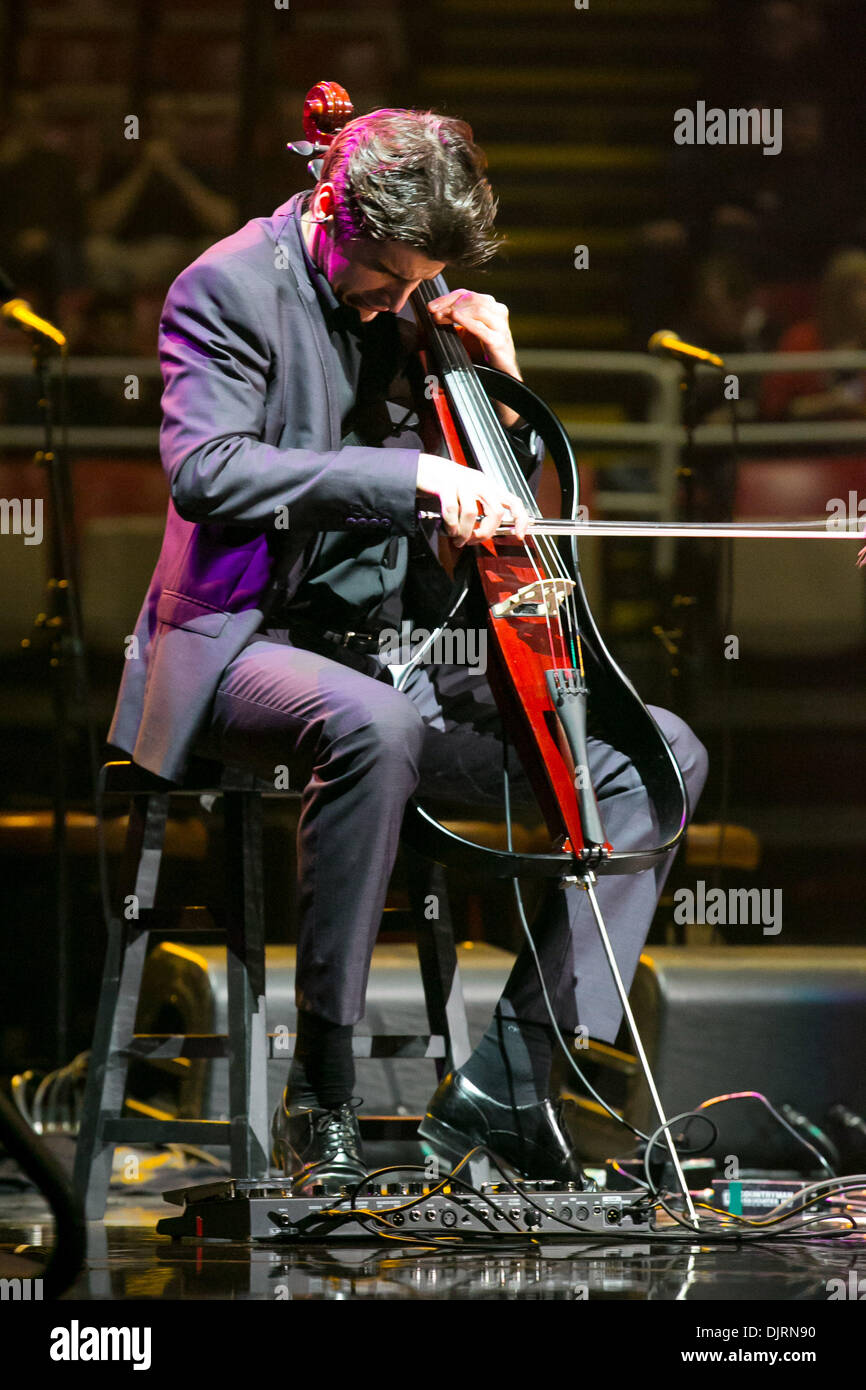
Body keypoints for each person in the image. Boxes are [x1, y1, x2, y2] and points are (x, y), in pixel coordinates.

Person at [106, 107, 708, 1191]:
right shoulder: (226, 286)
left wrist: (504, 399)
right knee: (369, 724)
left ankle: (514, 1079)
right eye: (383, 281)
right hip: (248, 644)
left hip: (402, 656)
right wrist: (412, 479)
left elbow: (510, 521)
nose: (396, 303)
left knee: (648, 753)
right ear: (333, 212)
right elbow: (210, 470)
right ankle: (320, 1094)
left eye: (413, 283)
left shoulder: (415, 304)